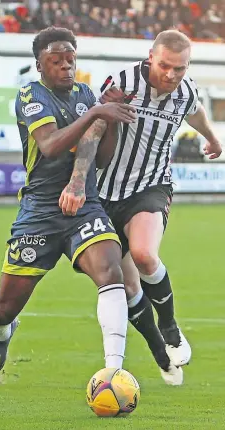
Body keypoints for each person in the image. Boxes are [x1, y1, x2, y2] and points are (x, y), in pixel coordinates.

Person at [60, 29, 222, 385]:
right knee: (127, 286)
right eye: (165, 66)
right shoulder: (123, 83)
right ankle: (162, 355)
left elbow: (194, 113)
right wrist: (77, 181)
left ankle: (171, 328)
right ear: (151, 57)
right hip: (104, 194)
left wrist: (211, 137)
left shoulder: (186, 90)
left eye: (180, 68)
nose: (171, 75)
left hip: (150, 186)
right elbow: (93, 130)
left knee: (145, 254)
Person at [0, 26, 138, 374]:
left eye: (71, 59)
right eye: (56, 61)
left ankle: (113, 372)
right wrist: (97, 113)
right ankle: (1, 331)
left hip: (85, 205)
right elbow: (51, 146)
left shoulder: (85, 95)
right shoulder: (30, 95)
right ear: (41, 66)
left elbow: (101, 160)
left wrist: (110, 116)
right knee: (6, 309)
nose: (66, 66)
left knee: (110, 272)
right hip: (40, 211)